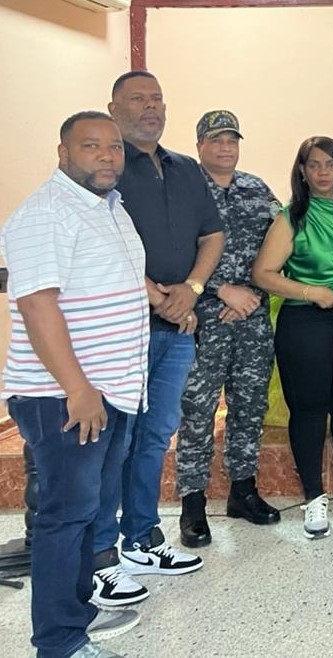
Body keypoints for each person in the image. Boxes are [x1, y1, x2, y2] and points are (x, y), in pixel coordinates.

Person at [3, 111, 146, 658]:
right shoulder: (45, 214)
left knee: (88, 510)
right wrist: (78, 389)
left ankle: (77, 612)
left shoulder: (109, 207)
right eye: (91, 146)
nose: (108, 156)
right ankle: (59, 643)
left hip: (108, 389)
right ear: (63, 153)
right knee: (65, 517)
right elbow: (38, 306)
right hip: (65, 396)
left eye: (114, 147)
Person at [91, 71, 220, 607]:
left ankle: (140, 538)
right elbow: (103, 240)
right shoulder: (105, 168)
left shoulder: (186, 168)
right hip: (122, 331)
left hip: (177, 329)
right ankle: (99, 555)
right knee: (113, 443)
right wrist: (156, 297)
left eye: (158, 99)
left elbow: (212, 235)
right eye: (138, 99)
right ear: (113, 108)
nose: (151, 107)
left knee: (153, 438)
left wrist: (191, 291)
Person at [253, 136, 333, 540]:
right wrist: (311, 292)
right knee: (309, 411)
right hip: (305, 323)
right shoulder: (292, 217)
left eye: (331, 164)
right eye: (314, 165)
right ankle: (313, 497)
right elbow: (263, 274)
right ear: (303, 172)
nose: (323, 172)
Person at [176, 110, 281, 549]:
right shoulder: (183, 190)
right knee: (198, 410)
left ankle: (243, 491)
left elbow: (282, 243)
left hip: (251, 317)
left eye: (232, 140)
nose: (225, 147)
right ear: (200, 144)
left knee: (250, 405)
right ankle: (193, 504)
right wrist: (222, 290)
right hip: (201, 317)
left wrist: (249, 295)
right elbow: (172, 253)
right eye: (216, 139)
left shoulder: (256, 189)